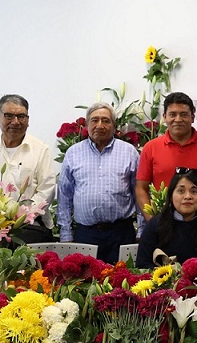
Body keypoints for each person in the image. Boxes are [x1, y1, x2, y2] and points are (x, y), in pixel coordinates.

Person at [57, 104, 141, 263]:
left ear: (114, 125)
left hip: (121, 233)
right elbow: (64, 197)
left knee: (123, 276)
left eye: (106, 121)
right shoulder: (73, 153)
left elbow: (139, 192)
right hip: (85, 234)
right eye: (94, 120)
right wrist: (65, 234)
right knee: (85, 277)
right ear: (87, 124)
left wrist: (141, 230)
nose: (100, 125)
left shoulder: (129, 152)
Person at [0, 94, 57, 243]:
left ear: (28, 120)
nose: (15, 122)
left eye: (21, 116)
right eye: (9, 116)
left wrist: (18, 217)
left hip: (32, 228)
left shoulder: (40, 149)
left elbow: (46, 191)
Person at [136, 91, 197, 221]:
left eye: (184, 114)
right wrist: (153, 221)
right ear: (164, 117)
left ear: (192, 117)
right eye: (172, 114)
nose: (178, 120)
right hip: (163, 223)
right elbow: (141, 188)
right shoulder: (150, 148)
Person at [136, 169, 197, 269]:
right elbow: (142, 265)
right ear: (171, 196)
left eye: (194, 191)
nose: (188, 196)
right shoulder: (155, 224)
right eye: (181, 191)